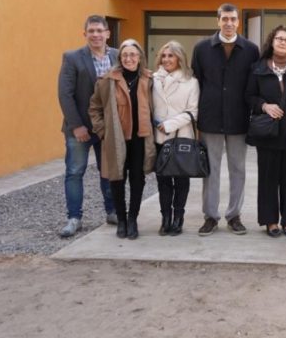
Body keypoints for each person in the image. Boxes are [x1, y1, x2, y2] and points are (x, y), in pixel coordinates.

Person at [191, 3, 259, 236]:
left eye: (233, 19)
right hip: (210, 119)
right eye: (224, 19)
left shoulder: (250, 49)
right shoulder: (202, 49)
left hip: (239, 119)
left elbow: (253, 84)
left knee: (238, 169)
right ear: (217, 21)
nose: (229, 23)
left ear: (238, 22)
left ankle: (234, 215)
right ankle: (210, 216)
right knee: (211, 170)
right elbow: (197, 81)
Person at [89, 39, 156, 239]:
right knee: (117, 180)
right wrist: (103, 131)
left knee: (138, 180)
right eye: (125, 55)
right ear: (120, 58)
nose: (129, 58)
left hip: (140, 139)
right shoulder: (107, 80)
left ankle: (133, 219)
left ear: (140, 57)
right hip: (116, 139)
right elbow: (95, 108)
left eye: (133, 55)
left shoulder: (149, 79)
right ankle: (122, 219)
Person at [57, 15, 118, 237]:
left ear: (107, 33)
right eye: (91, 31)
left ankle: (112, 212)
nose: (96, 35)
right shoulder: (72, 58)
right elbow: (65, 94)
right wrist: (76, 126)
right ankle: (74, 218)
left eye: (99, 31)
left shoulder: (118, 57)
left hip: (108, 129)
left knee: (108, 171)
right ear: (85, 34)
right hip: (80, 129)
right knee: (74, 172)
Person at [246, 26, 286, 237]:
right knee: (268, 177)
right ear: (271, 42)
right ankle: (270, 221)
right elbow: (249, 97)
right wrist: (265, 106)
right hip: (268, 132)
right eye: (279, 39)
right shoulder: (258, 68)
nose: (282, 42)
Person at [151, 41, 200, 236]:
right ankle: (165, 218)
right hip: (159, 138)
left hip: (181, 138)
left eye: (171, 55)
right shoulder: (152, 79)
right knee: (163, 181)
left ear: (179, 58)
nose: (166, 59)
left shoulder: (191, 81)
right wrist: (158, 125)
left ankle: (179, 217)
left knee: (181, 181)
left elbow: (193, 112)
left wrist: (169, 125)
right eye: (163, 55)